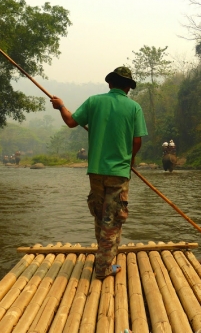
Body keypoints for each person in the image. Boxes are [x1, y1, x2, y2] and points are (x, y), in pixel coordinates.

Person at [50, 66, 148, 279]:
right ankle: (103, 267)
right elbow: (137, 141)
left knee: (100, 214)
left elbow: (70, 121)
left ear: (110, 83)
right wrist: (130, 161)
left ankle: (106, 257)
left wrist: (61, 106)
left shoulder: (93, 101)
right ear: (128, 88)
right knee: (112, 219)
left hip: (95, 171)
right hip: (119, 172)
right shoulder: (134, 108)